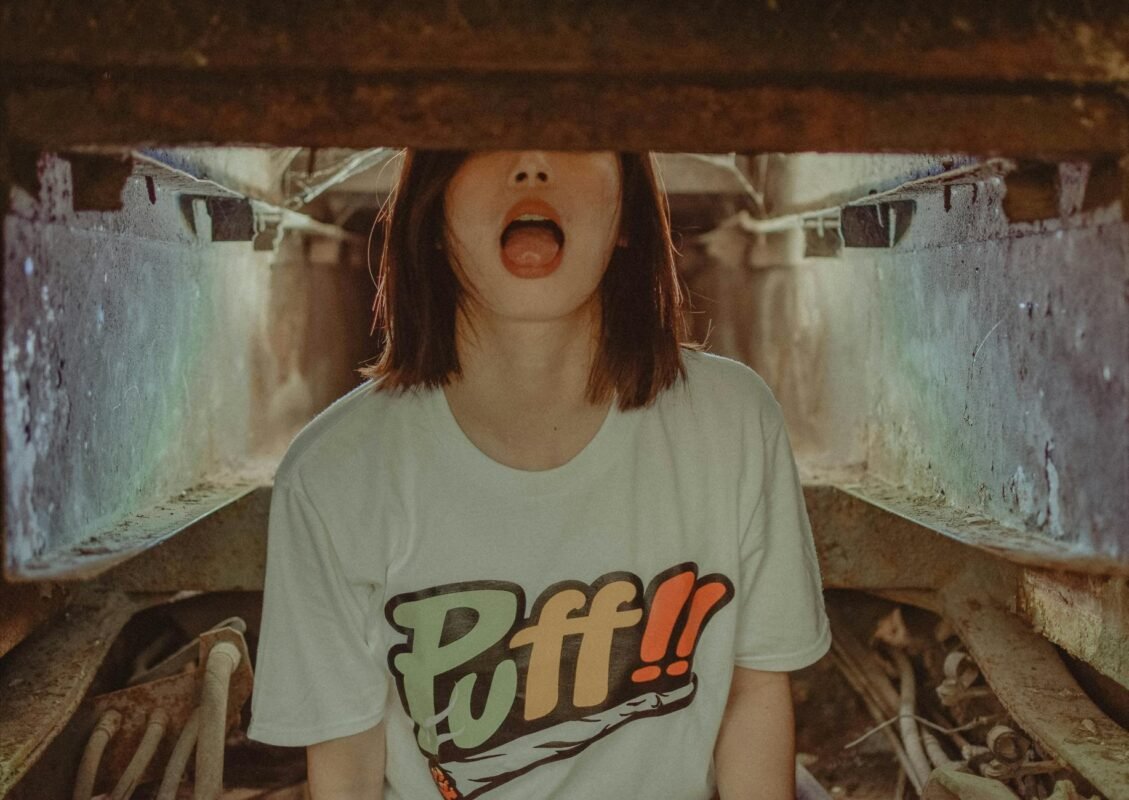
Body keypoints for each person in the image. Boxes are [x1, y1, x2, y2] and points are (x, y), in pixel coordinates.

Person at [248, 150, 831, 800]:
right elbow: (349, 762)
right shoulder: (335, 472)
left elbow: (752, 692)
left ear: (625, 218)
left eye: (572, 134)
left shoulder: (731, 423)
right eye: (485, 137)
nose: (530, 164)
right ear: (433, 214)